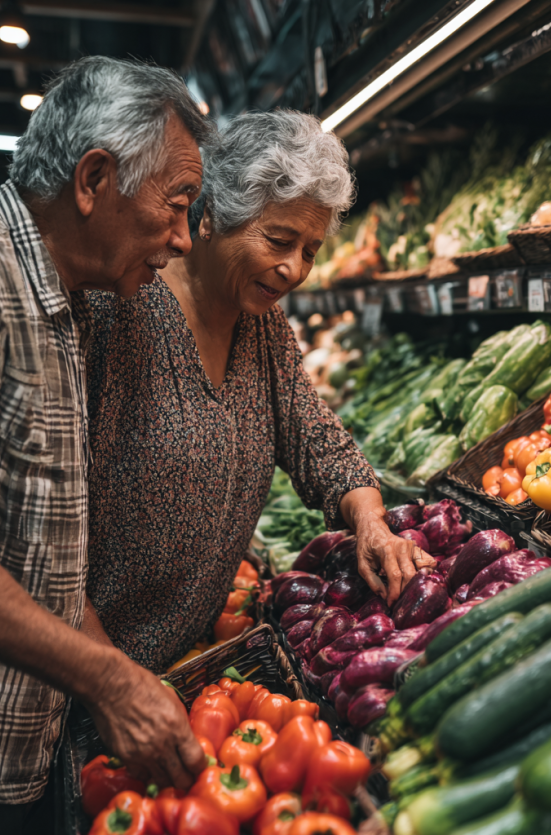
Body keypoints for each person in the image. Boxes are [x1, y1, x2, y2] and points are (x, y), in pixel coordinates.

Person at [0, 57, 212, 832]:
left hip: (24, 757)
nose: (181, 237)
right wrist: (107, 680)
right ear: (93, 178)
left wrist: (127, 677)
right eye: (175, 205)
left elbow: (40, 556)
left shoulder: (63, 304)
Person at [84, 110, 431, 674]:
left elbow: (316, 438)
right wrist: (108, 680)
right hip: (83, 668)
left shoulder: (262, 326)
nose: (294, 269)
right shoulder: (120, 306)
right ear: (214, 217)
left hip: (184, 662)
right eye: (279, 239)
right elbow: (49, 536)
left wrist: (371, 521)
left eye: (312, 250)